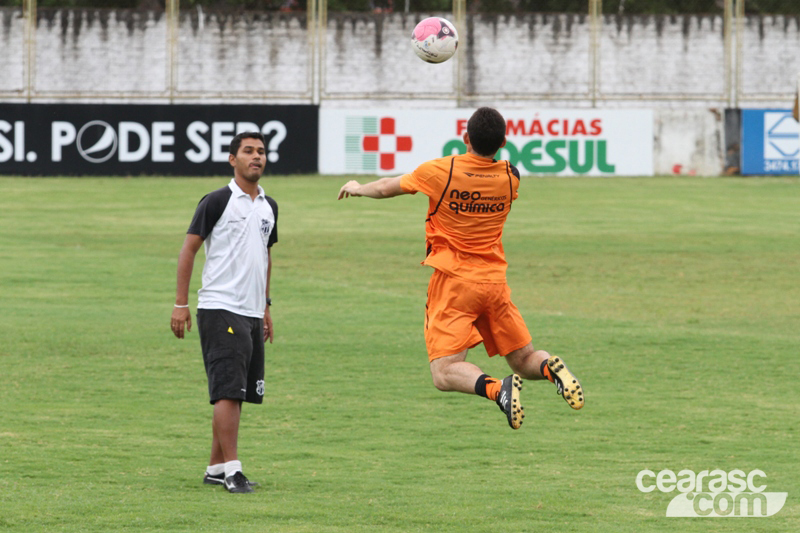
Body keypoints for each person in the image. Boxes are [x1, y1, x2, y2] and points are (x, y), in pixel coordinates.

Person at [337, 107, 583, 430]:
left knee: (444, 372)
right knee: (525, 361)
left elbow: (385, 187)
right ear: (504, 142)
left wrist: (357, 187)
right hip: (495, 284)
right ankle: (552, 368)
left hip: (455, 284)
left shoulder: (441, 171)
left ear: (465, 137)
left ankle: (498, 390)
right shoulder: (511, 177)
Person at [170, 131, 278, 492]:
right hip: (219, 307)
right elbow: (189, 250)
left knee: (239, 390)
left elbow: (265, 256)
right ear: (233, 159)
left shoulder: (269, 206)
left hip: (249, 311)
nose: (256, 157)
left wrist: (265, 306)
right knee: (228, 390)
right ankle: (234, 471)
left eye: (261, 152)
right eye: (248, 151)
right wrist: (181, 304)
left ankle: (216, 467)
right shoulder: (216, 201)